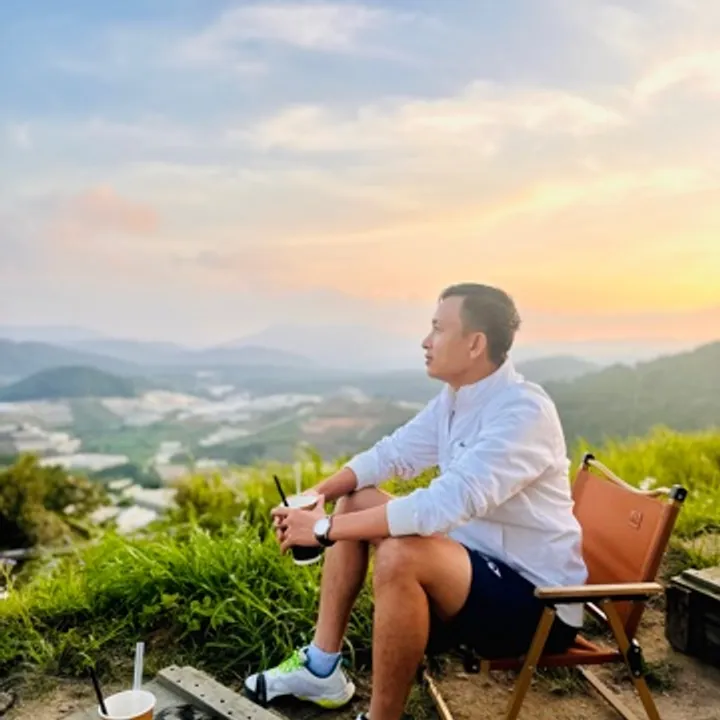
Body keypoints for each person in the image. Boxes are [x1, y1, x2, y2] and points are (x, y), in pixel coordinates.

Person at [244, 283, 588, 720]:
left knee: (402, 554)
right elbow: (391, 455)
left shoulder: (523, 413)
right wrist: (317, 495)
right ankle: (321, 668)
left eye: (438, 329)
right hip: (473, 566)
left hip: (538, 604)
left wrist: (322, 530)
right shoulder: (457, 400)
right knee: (357, 499)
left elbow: (439, 507)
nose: (426, 341)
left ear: (475, 344)